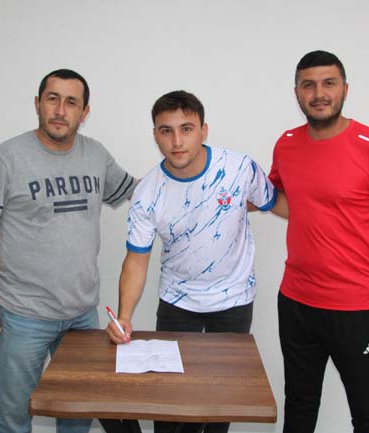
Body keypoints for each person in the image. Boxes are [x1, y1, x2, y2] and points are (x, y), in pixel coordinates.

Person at [0, 68, 136, 433]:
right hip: (22, 317)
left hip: (82, 316)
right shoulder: (7, 157)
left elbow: (138, 192)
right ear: (37, 104)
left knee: (77, 417)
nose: (60, 110)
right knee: (14, 419)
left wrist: (187, 177)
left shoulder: (96, 155)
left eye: (71, 102)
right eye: (52, 99)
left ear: (84, 112)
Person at [105, 90, 282, 433]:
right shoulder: (146, 193)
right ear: (155, 135)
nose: (176, 141)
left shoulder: (239, 168)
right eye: (166, 131)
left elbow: (274, 203)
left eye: (186, 129)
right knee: (171, 405)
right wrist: (124, 316)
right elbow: (136, 260)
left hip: (233, 301)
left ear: (204, 130)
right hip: (177, 303)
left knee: (219, 404)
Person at [269, 50, 369, 433]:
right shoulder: (286, 144)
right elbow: (288, 201)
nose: (319, 93)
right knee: (299, 407)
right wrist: (240, 195)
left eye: (328, 83)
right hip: (296, 302)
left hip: (357, 307)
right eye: (308, 85)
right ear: (297, 93)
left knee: (368, 417)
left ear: (345, 90)